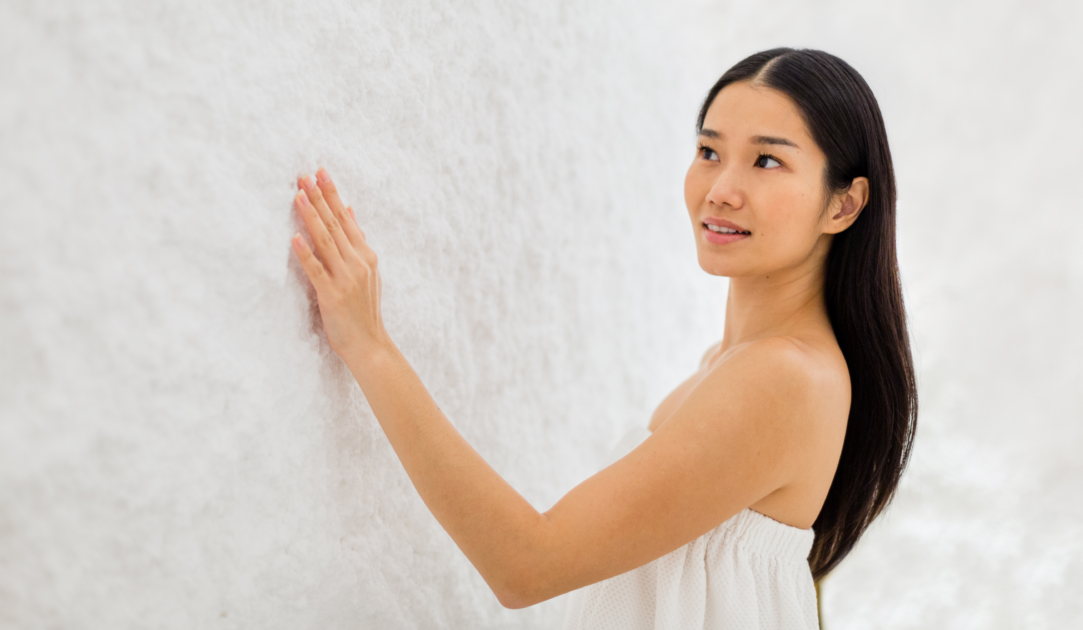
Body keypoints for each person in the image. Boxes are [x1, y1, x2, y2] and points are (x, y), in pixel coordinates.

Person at [289, 47, 918, 629]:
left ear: (844, 204)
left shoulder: (784, 377)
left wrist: (370, 346)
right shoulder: (730, 365)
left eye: (767, 160)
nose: (721, 190)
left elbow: (527, 564)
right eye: (709, 151)